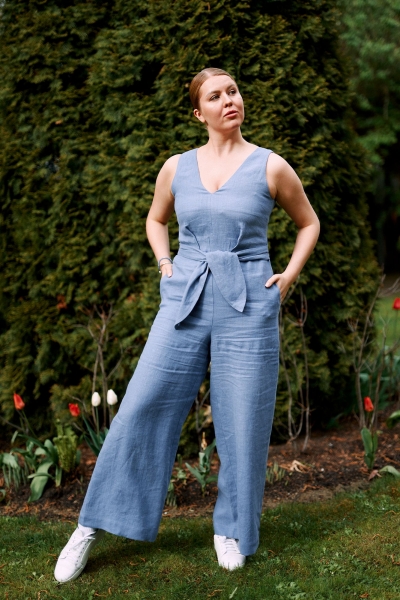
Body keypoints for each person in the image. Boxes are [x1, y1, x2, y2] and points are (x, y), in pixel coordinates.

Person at [54, 67, 320, 583]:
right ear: (200, 113)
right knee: (140, 407)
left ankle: (231, 529)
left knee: (242, 420)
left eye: (233, 91)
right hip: (185, 299)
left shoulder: (271, 166)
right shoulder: (176, 167)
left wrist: (287, 277)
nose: (229, 100)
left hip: (249, 303)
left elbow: (308, 223)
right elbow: (156, 219)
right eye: (216, 96)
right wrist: (165, 265)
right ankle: (90, 526)